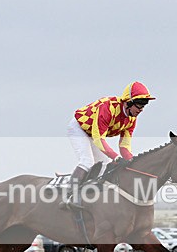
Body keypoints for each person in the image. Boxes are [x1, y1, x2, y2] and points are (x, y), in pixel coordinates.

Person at [65, 81, 154, 209]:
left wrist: (132, 162)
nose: (141, 110)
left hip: (94, 133)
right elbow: (98, 139)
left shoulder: (131, 119)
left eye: (144, 106)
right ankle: (69, 196)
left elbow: (124, 146)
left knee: (104, 164)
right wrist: (116, 157)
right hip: (79, 128)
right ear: (128, 102)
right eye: (139, 106)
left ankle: (89, 195)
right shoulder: (108, 108)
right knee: (87, 161)